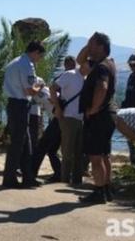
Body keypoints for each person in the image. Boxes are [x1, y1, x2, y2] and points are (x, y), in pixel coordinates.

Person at [77, 32, 117, 204]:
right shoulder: (107, 63)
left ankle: (99, 192)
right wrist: (88, 46)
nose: (88, 48)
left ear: (101, 46)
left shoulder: (101, 67)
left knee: (95, 156)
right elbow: (80, 63)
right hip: (107, 115)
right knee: (104, 155)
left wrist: (93, 109)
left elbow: (102, 87)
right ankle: (107, 190)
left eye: (92, 44)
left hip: (98, 117)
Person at [1, 40, 45, 189]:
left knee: (26, 144)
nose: (39, 59)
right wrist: (40, 85)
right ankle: (9, 178)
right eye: (40, 56)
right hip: (20, 104)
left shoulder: (14, 62)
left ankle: (28, 177)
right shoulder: (27, 65)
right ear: (36, 52)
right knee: (18, 144)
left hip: (14, 104)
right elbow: (30, 90)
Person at [52, 56, 85, 185]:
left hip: (80, 118)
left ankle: (77, 181)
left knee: (78, 152)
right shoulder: (69, 75)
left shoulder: (86, 78)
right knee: (67, 151)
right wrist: (58, 108)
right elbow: (53, 88)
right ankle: (64, 179)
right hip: (68, 117)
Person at [30, 77, 60, 180]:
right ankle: (59, 173)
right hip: (59, 120)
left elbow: (51, 100)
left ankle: (32, 172)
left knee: (42, 146)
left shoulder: (43, 92)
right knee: (52, 150)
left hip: (57, 119)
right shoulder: (41, 93)